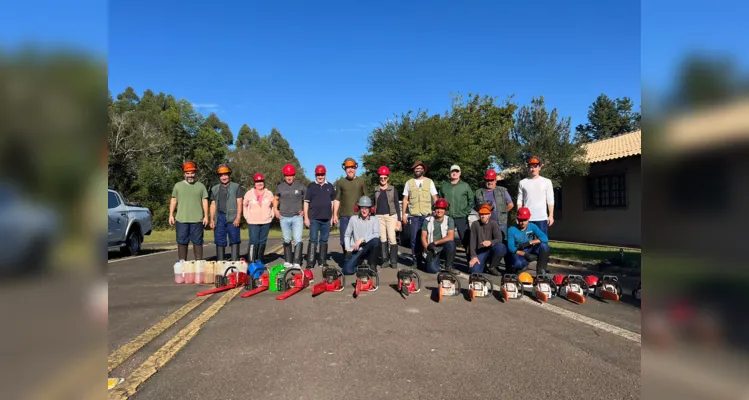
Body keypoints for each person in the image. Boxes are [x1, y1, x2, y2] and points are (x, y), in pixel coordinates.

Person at [401, 160, 438, 269]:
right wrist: (403, 214)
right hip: (414, 215)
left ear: (423, 170)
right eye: (416, 169)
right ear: (414, 170)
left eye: (420, 168)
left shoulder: (429, 182)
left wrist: (437, 210)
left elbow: (435, 197)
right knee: (414, 238)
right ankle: (415, 259)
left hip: (427, 215)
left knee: (427, 238)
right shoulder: (409, 183)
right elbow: (405, 199)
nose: (418, 170)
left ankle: (427, 258)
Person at [169, 161, 209, 261]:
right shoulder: (178, 186)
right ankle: (182, 263)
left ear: (195, 173)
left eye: (192, 173)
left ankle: (198, 263)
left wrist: (206, 216)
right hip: (181, 219)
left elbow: (204, 201)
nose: (190, 175)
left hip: (197, 220)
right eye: (188, 173)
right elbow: (174, 200)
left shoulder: (201, 186)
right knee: (182, 241)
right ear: (184, 174)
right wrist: (171, 215)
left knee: (198, 241)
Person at [333, 157, 368, 260]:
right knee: (344, 240)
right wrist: (334, 214)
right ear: (344, 168)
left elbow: (366, 199)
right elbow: (337, 199)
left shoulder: (361, 181)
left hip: (358, 216)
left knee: (358, 239)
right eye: (348, 167)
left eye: (352, 167)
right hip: (344, 216)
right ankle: (347, 258)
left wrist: (367, 213)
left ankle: (358, 259)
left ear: (355, 168)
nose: (350, 170)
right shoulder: (340, 182)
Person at [209, 164, 244, 261]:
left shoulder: (236, 187)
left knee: (234, 239)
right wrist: (211, 219)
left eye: (225, 175)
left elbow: (239, 202)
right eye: (221, 175)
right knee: (219, 239)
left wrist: (238, 217)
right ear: (219, 176)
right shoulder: (215, 189)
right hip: (219, 217)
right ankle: (220, 262)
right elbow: (213, 204)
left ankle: (234, 262)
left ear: (229, 175)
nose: (223, 177)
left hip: (232, 217)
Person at [304, 165, 336, 269]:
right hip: (313, 218)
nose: (320, 176)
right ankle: (310, 261)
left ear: (325, 174)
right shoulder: (311, 186)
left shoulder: (330, 186)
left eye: (322, 174)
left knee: (324, 240)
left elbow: (333, 203)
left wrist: (332, 217)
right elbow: (306, 202)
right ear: (315, 175)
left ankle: (322, 261)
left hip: (326, 218)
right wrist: (306, 217)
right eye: (318, 174)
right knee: (313, 239)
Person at [274, 164, 306, 267]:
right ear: (284, 176)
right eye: (287, 175)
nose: (289, 177)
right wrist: (275, 210)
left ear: (294, 175)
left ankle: (296, 261)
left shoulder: (300, 186)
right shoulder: (280, 187)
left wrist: (305, 211)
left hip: (297, 217)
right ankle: (288, 260)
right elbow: (275, 199)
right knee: (286, 239)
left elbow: (307, 200)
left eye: (291, 175)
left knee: (297, 239)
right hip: (284, 217)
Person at [506, 207, 551, 276]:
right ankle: (520, 267)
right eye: (521, 220)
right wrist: (525, 255)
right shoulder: (511, 230)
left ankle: (541, 272)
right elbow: (511, 248)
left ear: (529, 219)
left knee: (545, 246)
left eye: (525, 220)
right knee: (518, 264)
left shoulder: (533, 226)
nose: (522, 223)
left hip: (530, 248)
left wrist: (531, 242)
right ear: (517, 219)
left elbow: (545, 238)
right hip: (518, 252)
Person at [343, 196, 382, 275]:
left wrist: (362, 239)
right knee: (347, 271)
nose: (364, 211)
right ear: (358, 208)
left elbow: (376, 234)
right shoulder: (353, 219)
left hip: (367, 248)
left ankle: (372, 266)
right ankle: (359, 264)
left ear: (371, 209)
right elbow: (347, 235)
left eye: (366, 208)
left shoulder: (375, 220)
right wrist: (347, 249)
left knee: (376, 241)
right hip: (356, 250)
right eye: (362, 208)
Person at [517, 156, 554, 236]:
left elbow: (550, 200)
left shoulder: (547, 182)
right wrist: (519, 216)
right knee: (527, 244)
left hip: (542, 218)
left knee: (542, 244)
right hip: (526, 219)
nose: (533, 169)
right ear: (528, 169)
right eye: (530, 167)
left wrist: (551, 215)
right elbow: (519, 200)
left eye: (535, 167)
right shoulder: (522, 183)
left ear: (539, 168)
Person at [439, 164, 473, 251]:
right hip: (447, 217)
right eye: (453, 171)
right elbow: (440, 200)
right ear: (450, 173)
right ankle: (446, 261)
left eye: (456, 171)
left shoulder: (465, 186)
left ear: (460, 173)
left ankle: (470, 261)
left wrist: (466, 212)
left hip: (461, 217)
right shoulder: (444, 186)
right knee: (445, 239)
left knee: (466, 240)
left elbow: (471, 200)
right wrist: (443, 212)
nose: (454, 173)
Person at [243, 173, 276, 263]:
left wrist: (271, 215)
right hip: (253, 222)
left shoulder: (269, 193)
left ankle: (260, 261)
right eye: (257, 181)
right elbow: (244, 206)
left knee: (262, 242)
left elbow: (274, 205)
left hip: (266, 221)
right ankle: (251, 261)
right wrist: (247, 216)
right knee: (253, 241)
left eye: (261, 181)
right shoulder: (249, 194)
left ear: (263, 182)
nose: (259, 183)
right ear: (254, 183)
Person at [373, 166, 401, 268]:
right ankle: (385, 260)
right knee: (382, 238)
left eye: (385, 178)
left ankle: (393, 261)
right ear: (379, 178)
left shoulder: (393, 189)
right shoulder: (376, 190)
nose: (383, 180)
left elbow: (397, 204)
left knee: (392, 238)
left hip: (391, 215)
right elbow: (374, 204)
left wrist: (399, 220)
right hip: (379, 216)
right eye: (381, 178)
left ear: (388, 178)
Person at [468, 203, 507, 275]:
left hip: (491, 249)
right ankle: (483, 265)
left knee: (501, 247)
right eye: (481, 214)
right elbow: (472, 242)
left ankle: (492, 267)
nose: (483, 216)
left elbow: (499, 239)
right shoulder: (475, 224)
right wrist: (473, 256)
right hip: (480, 251)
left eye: (485, 214)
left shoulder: (494, 224)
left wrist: (490, 242)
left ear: (489, 215)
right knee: (473, 270)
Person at [474, 169, 514, 239]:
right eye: (487, 180)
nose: (489, 182)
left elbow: (510, 204)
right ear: (484, 180)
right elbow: (474, 206)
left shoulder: (502, 190)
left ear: (495, 180)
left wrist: (502, 212)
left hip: (501, 223)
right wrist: (481, 213)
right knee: (486, 242)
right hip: (484, 223)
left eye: (491, 180)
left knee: (502, 241)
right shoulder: (478, 192)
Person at [420, 198, 457, 274]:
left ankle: (448, 266)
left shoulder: (450, 220)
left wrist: (435, 243)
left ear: (445, 210)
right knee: (432, 270)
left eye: (442, 209)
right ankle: (432, 261)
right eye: (437, 208)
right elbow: (423, 237)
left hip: (443, 247)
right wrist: (427, 248)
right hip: (432, 249)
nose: (439, 211)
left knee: (451, 244)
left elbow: (451, 237)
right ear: (434, 209)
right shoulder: (427, 220)